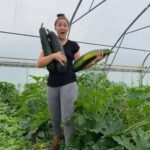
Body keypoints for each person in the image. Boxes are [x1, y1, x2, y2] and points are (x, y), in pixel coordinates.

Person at [37, 13, 105, 150]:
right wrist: (54, 56)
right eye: (59, 25)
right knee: (55, 118)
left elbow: (79, 65)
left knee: (68, 118)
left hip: (69, 84)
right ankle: (57, 139)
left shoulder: (73, 45)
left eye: (65, 25)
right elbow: (39, 63)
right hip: (52, 85)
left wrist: (94, 61)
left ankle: (70, 145)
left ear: (68, 28)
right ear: (55, 28)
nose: (62, 27)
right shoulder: (48, 45)